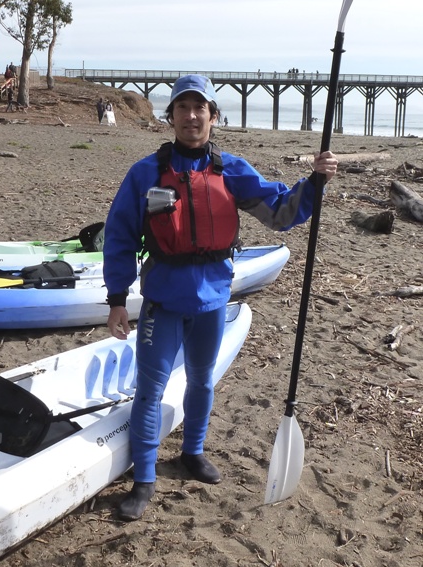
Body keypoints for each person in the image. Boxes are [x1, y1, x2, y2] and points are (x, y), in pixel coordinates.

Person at [103, 74, 338, 521]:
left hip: (212, 297)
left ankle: (192, 452)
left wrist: (315, 183)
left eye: (200, 109)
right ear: (170, 116)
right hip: (163, 299)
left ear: (213, 116)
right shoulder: (145, 174)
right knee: (150, 390)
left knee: (202, 380)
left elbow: (281, 210)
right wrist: (117, 298)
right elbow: (118, 237)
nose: (191, 117)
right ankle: (145, 477)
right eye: (182, 108)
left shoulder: (232, 170)